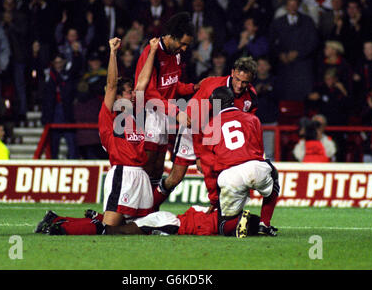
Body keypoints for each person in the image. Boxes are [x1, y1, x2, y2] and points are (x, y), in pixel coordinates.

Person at [153, 57, 259, 212]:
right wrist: (199, 156)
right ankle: (150, 208)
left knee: (222, 177)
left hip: (218, 138)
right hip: (193, 131)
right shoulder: (213, 87)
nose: (239, 85)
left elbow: (246, 124)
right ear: (232, 72)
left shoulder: (251, 97)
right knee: (175, 178)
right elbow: (194, 121)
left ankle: (217, 214)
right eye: (237, 79)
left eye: (244, 82)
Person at [97, 36, 160, 226]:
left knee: (139, 229)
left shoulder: (136, 115)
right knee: (109, 226)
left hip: (141, 177)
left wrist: (153, 51)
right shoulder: (110, 116)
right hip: (122, 174)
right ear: (118, 97)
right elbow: (111, 85)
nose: (133, 94)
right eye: (128, 92)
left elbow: (143, 82)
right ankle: (61, 224)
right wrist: (113, 53)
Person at [200, 86, 279, 236]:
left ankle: (241, 221)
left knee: (223, 226)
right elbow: (259, 151)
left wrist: (214, 199)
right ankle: (264, 224)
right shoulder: (252, 118)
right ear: (232, 100)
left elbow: (208, 166)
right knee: (273, 175)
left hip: (229, 175)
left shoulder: (210, 126)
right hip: (255, 167)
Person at [133, 12, 198, 192]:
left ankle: (151, 209)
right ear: (172, 37)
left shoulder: (176, 54)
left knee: (158, 167)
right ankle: (136, 208)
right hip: (146, 113)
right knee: (146, 165)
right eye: (182, 43)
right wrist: (176, 113)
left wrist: (194, 88)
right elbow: (147, 92)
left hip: (163, 114)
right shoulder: (151, 52)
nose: (184, 49)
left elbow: (174, 86)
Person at [34, 204, 263, 238]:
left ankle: (56, 218)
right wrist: (256, 226)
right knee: (112, 232)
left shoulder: (213, 208)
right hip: (168, 224)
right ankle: (59, 229)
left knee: (112, 226)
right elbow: (229, 228)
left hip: (166, 219)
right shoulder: (219, 223)